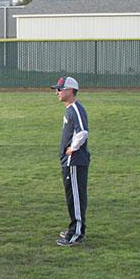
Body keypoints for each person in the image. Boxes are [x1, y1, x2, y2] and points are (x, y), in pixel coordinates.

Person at [52, 76, 90, 246]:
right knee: (72, 196)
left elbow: (82, 132)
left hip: (74, 161)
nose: (57, 92)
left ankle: (76, 234)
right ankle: (75, 228)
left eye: (60, 89)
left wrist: (72, 149)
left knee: (75, 197)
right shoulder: (70, 109)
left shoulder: (75, 108)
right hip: (70, 161)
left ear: (70, 90)